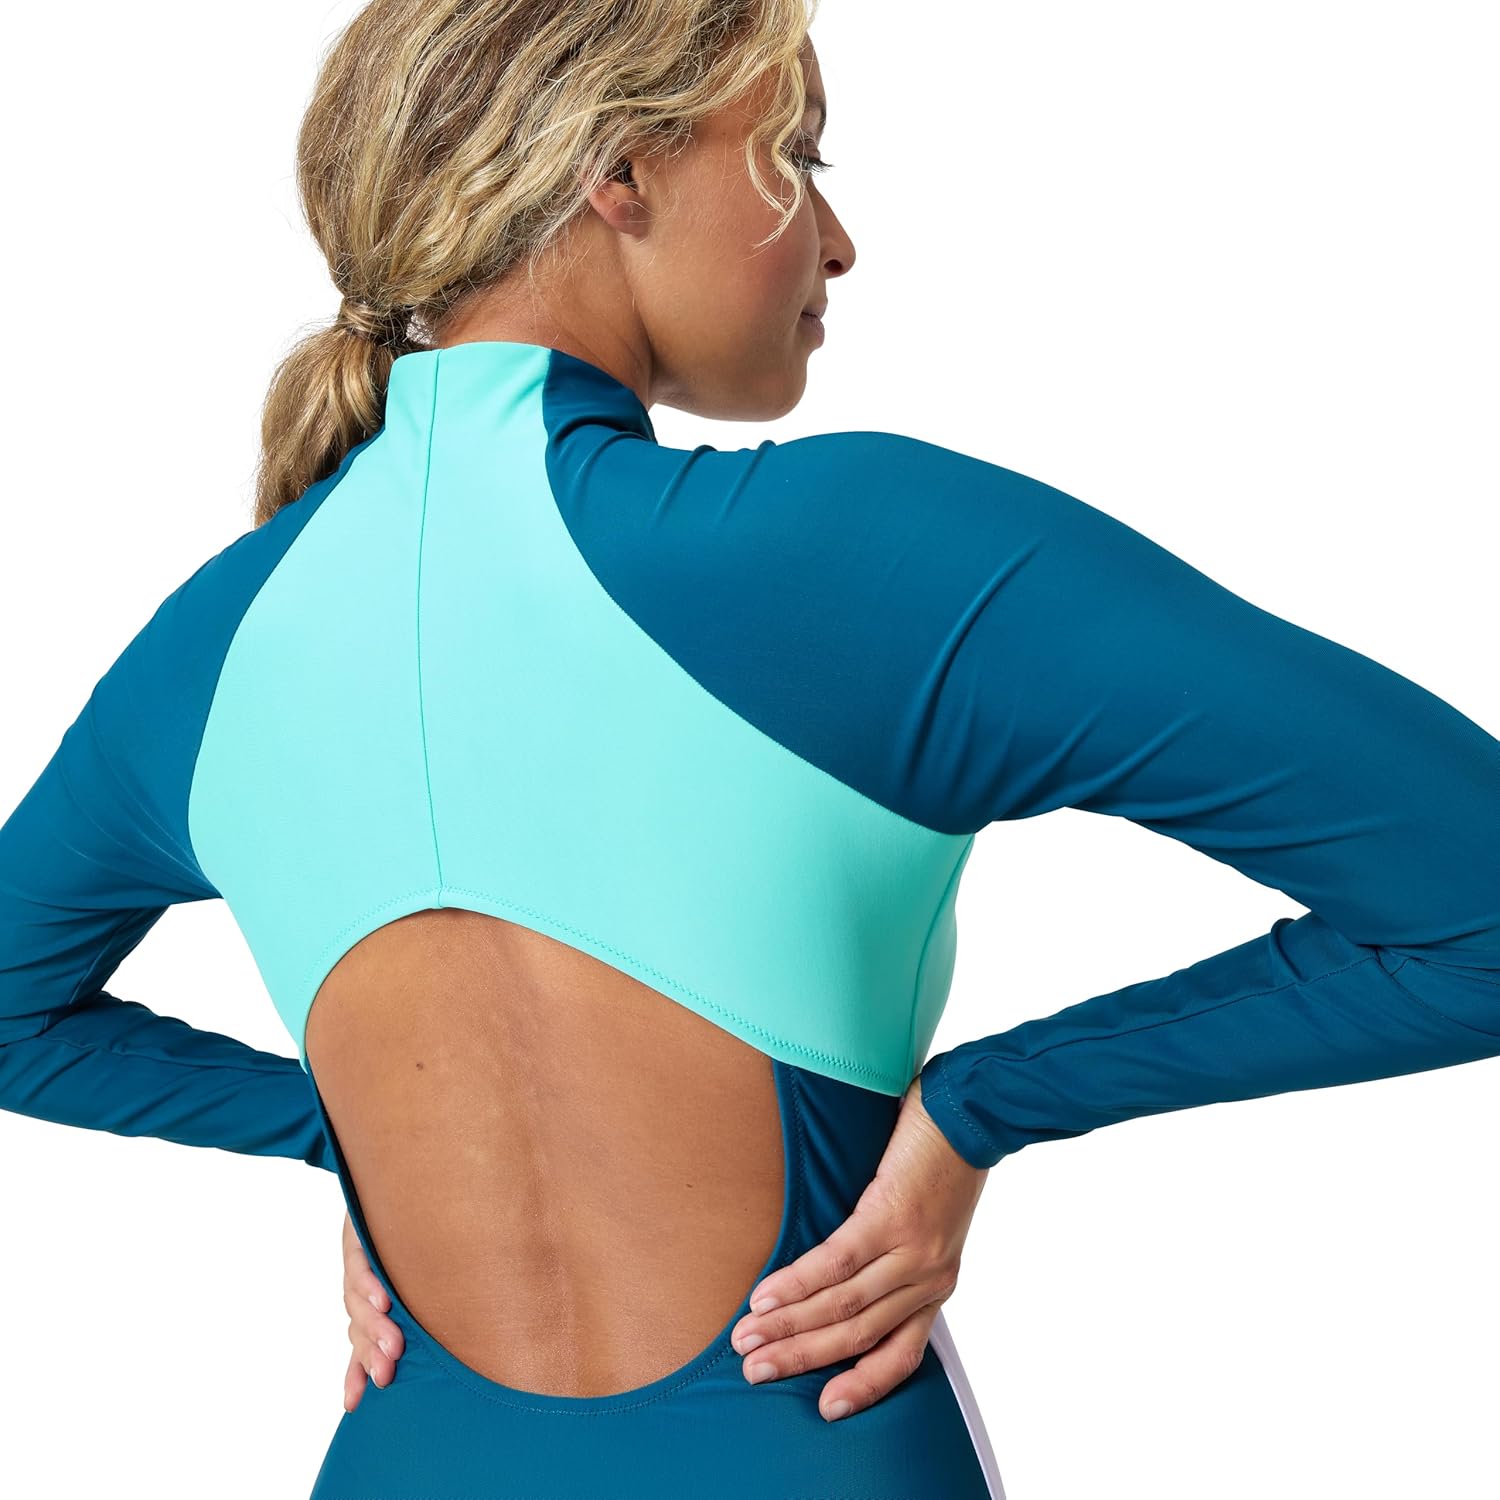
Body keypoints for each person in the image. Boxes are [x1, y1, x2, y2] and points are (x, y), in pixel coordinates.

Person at [1, 0, 1495, 1495]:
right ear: (619, 170)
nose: (837, 244)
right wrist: (988, 1101)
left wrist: (360, 1137)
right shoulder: (869, 557)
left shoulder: (210, 647)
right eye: (796, 155)